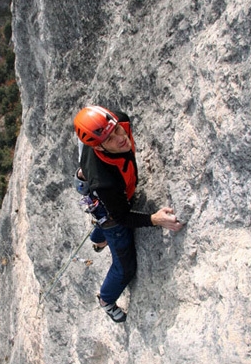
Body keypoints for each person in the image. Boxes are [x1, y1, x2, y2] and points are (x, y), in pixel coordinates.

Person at [73, 105, 184, 323]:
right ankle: (106, 299)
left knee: (105, 215)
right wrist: (155, 219)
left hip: (96, 186)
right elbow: (122, 216)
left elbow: (113, 132)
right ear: (99, 147)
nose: (121, 137)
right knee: (125, 267)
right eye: (110, 138)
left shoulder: (119, 120)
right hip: (108, 206)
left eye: (116, 129)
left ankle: (98, 240)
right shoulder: (105, 181)